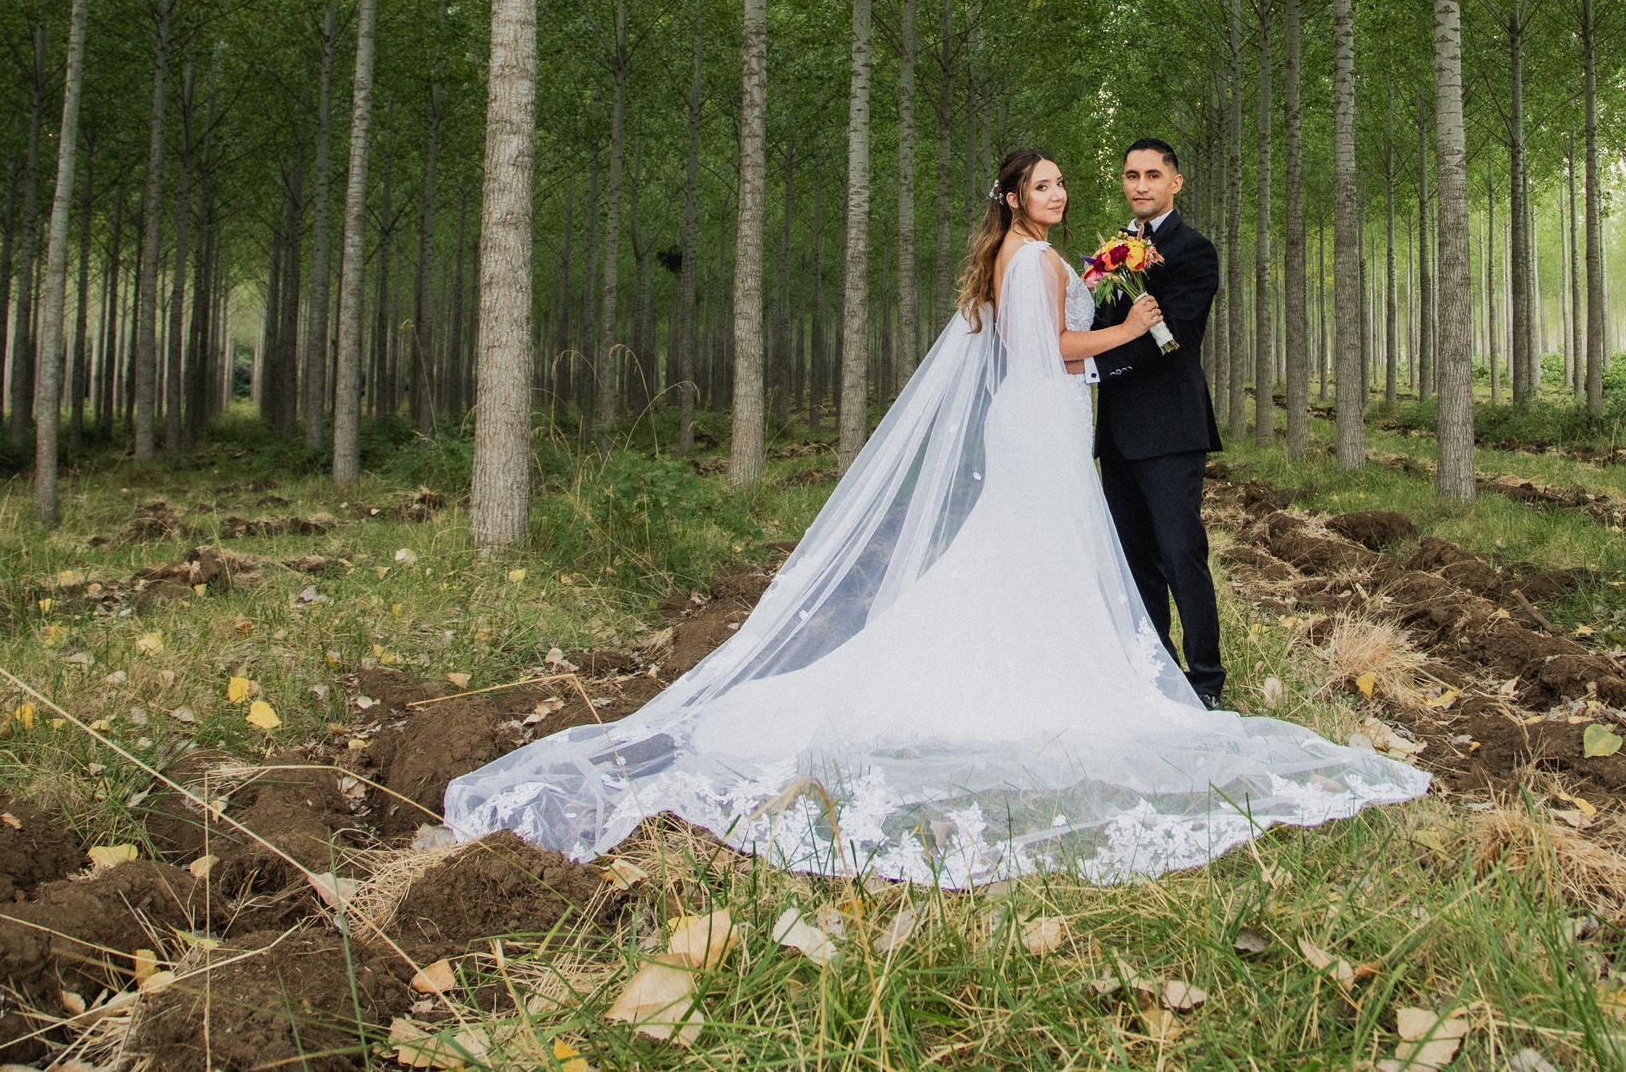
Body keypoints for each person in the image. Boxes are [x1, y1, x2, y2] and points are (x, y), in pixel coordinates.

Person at [442, 148, 1427, 887]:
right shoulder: (1036, 262)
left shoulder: (1027, 254)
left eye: (1062, 185)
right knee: (1043, 551)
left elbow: (1072, 342)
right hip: (1043, 415)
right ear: (1011, 198)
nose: (1063, 195)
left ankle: (1130, 665)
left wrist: (1127, 320)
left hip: (1037, 419)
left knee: (1025, 553)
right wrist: (1133, 322)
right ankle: (1061, 678)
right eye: (1045, 185)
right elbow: (1061, 349)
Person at [1091, 138, 1227, 707]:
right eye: (1131, 175)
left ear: (1175, 182)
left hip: (1170, 430)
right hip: (1118, 433)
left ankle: (1206, 681)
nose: (1140, 184)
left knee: (1180, 555)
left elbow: (1176, 337)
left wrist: (1095, 366)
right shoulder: (1111, 253)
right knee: (1133, 560)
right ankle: (1158, 674)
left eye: (1152, 174)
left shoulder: (1194, 251)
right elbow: (1098, 318)